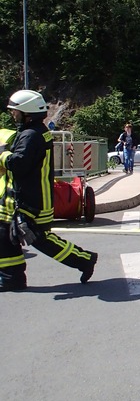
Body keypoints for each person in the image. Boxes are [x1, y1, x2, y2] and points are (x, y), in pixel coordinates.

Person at [0, 90, 98, 292]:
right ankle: (12, 278)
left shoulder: (31, 135)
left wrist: (2, 154)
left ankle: (85, 259)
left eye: (15, 112)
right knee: (5, 236)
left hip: (33, 201)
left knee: (40, 239)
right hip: (28, 198)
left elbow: (18, 164)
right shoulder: (35, 132)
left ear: (27, 113)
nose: (13, 115)